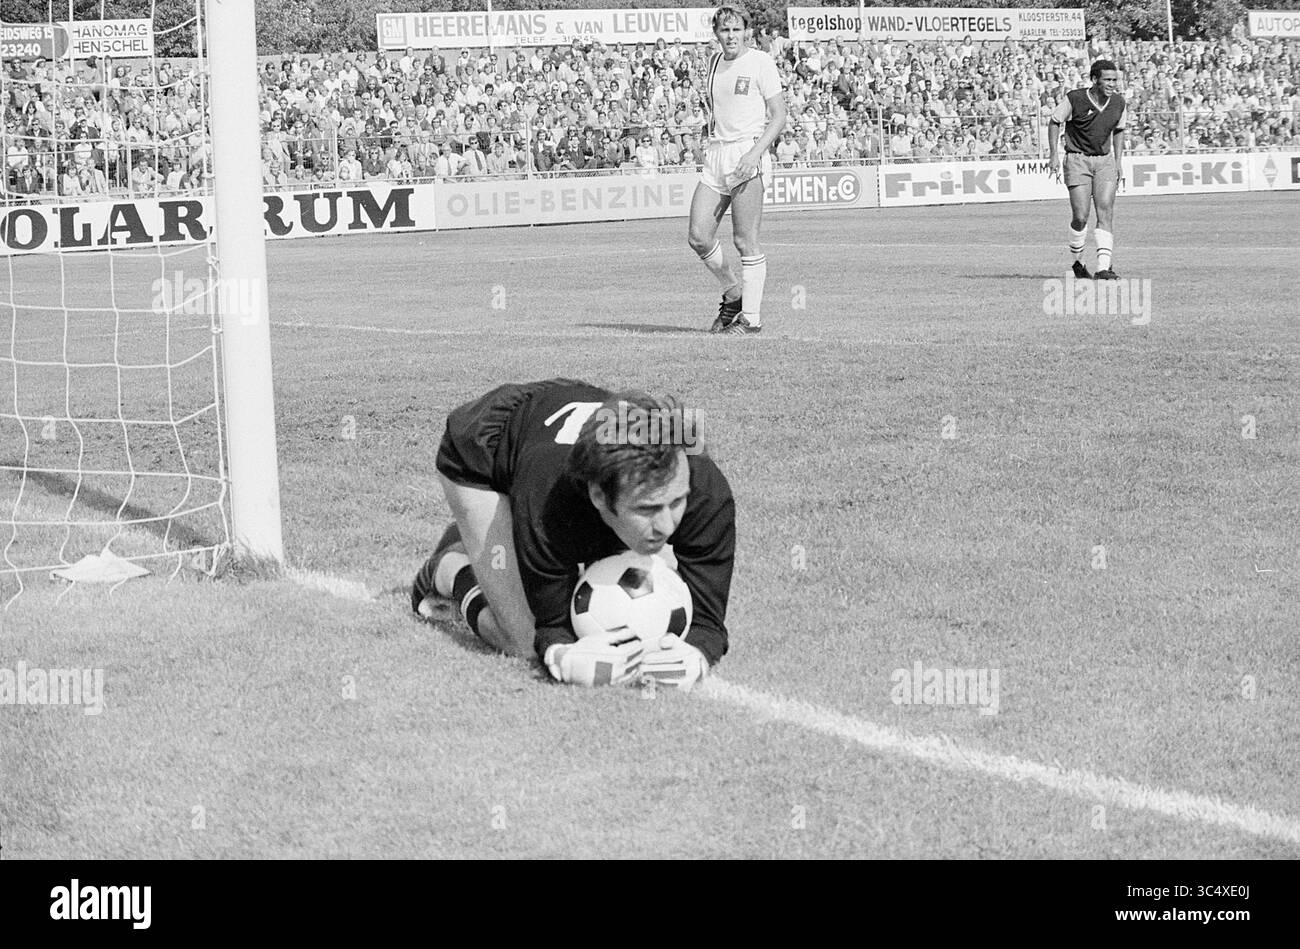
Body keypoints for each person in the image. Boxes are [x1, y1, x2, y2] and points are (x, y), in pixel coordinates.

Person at [410, 379, 735, 691]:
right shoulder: (550, 499)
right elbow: (550, 630)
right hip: (483, 449)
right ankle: (450, 569)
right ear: (598, 496)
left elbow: (708, 623)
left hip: (561, 411)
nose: (667, 525)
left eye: (676, 502)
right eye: (647, 509)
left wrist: (698, 653)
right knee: (523, 638)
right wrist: (561, 655)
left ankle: (498, 541)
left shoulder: (703, 489)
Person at [687, 5, 787, 335]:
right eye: (724, 30)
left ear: (746, 30)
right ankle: (733, 294)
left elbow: (778, 116)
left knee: (745, 242)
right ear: (716, 33)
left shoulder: (761, 62)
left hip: (747, 154)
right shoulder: (714, 62)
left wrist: (755, 154)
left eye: (736, 29)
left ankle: (752, 320)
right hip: (717, 154)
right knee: (699, 236)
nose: (730, 36)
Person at [1048, 59, 1127, 280]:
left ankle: (1103, 268)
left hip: (1105, 161)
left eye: (1114, 80)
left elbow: (1119, 130)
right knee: (1081, 216)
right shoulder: (1075, 99)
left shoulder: (1119, 102)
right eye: (1107, 80)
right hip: (1077, 160)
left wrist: (1119, 161)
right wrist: (1054, 154)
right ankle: (1078, 262)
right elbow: (1054, 122)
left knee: (1105, 211)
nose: (1112, 84)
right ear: (1094, 80)